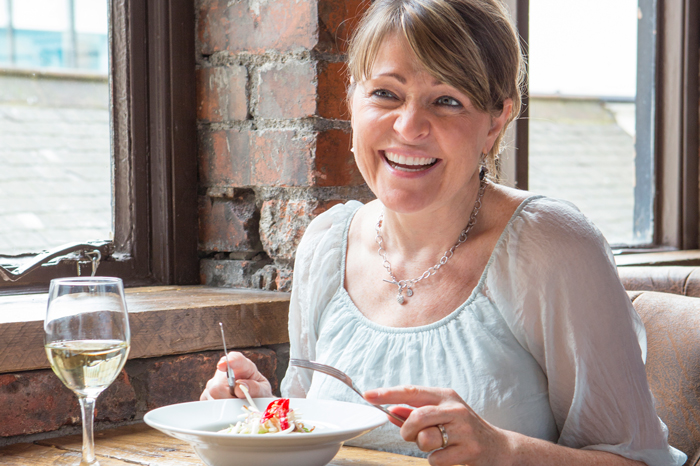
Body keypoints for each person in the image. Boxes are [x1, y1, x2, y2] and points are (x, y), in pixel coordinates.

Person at [201, 0, 686, 464]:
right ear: (352, 97)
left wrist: (507, 454)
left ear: (496, 120)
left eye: (447, 100)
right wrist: (260, 412)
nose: (410, 126)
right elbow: (312, 433)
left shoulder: (551, 246)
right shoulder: (326, 245)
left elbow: (639, 462)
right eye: (385, 93)